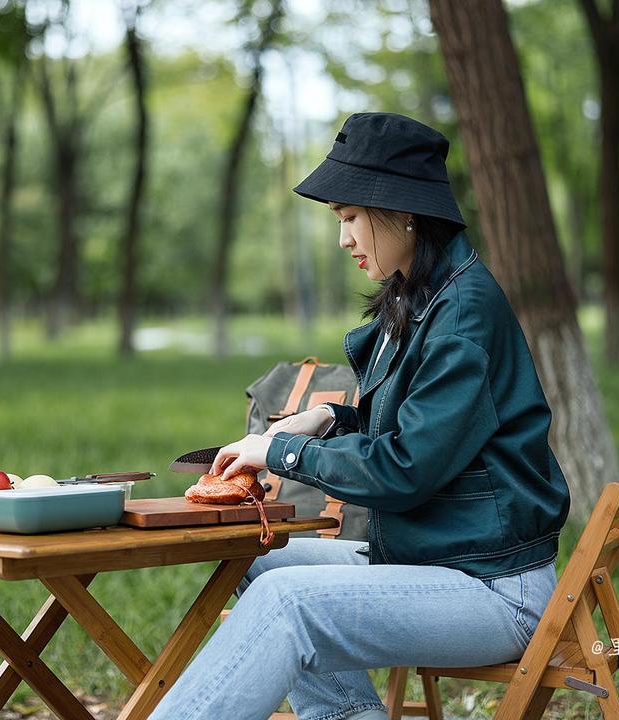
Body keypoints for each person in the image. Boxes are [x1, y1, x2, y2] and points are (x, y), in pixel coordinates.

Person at [148, 112, 572, 720]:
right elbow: (426, 434)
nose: (343, 239)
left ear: (404, 211)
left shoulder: (463, 314)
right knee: (252, 558)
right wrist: (323, 420)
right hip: (436, 557)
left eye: (350, 218)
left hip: (492, 586)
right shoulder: (425, 296)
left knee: (288, 603)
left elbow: (404, 471)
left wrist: (280, 452)